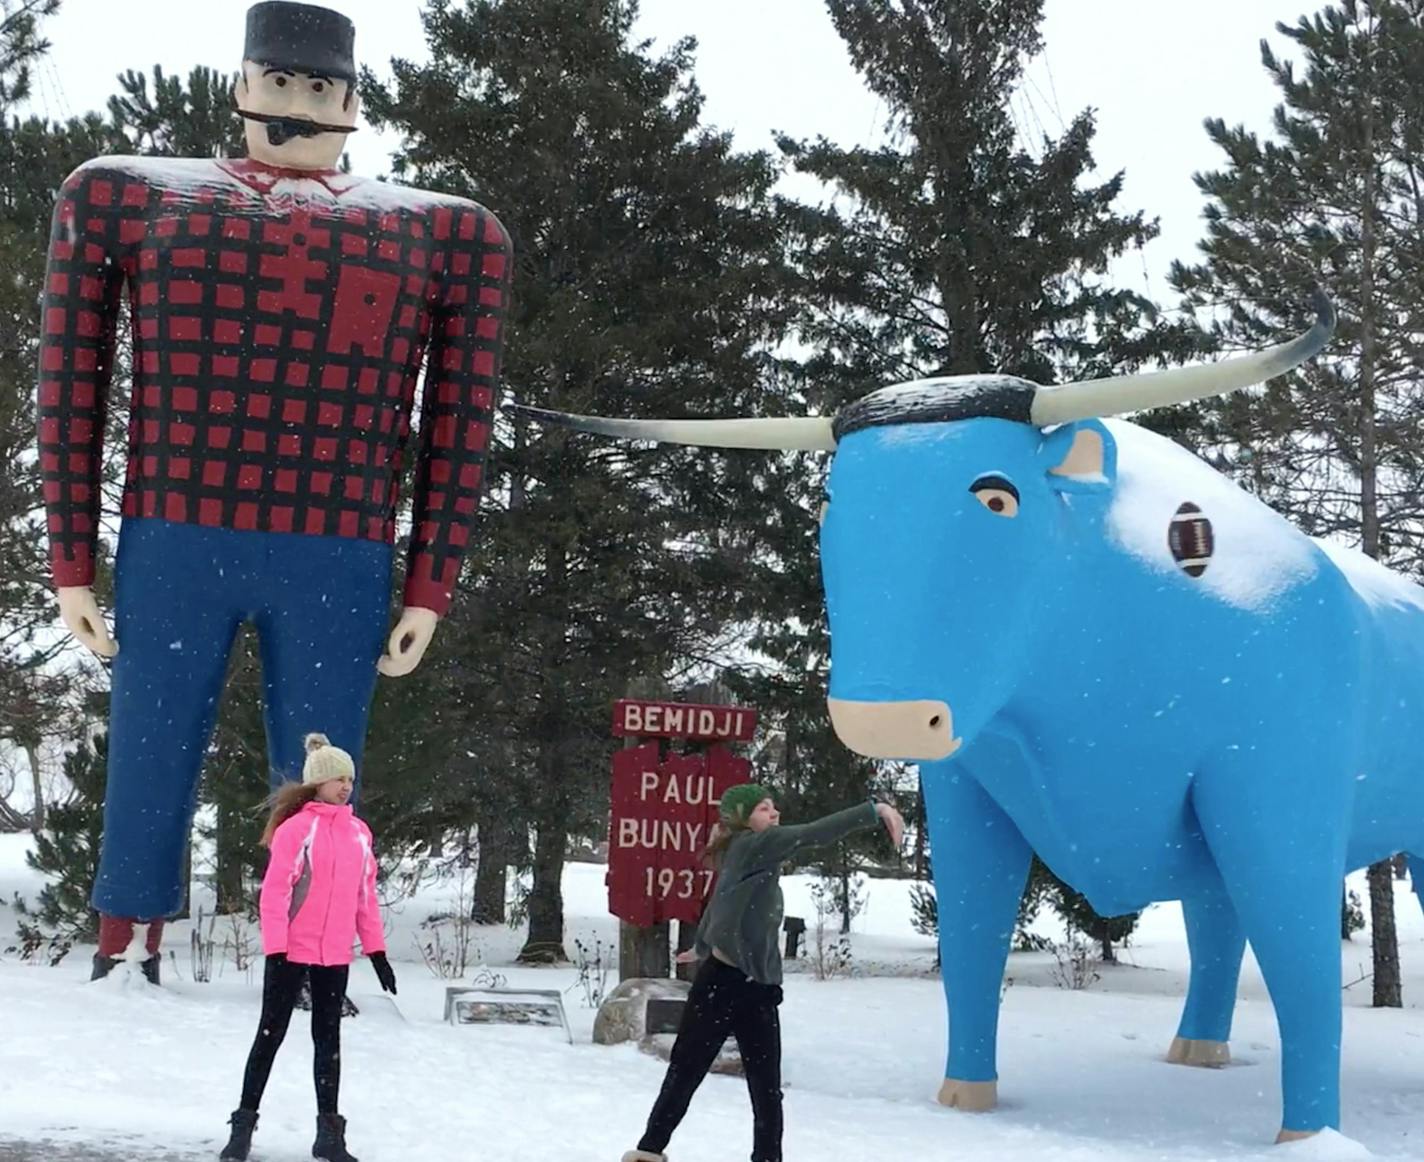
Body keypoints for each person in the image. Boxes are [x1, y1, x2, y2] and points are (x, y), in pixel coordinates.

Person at [36, 0, 512, 982]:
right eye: (280, 83)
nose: (297, 103)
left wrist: (430, 583)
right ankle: (127, 943)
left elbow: (459, 422)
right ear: (243, 87)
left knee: (321, 773)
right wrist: (71, 558)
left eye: (319, 87)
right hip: (175, 529)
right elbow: (69, 380)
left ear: (350, 102)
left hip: (335, 545)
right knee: (150, 745)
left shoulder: (442, 235)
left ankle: (307, 953)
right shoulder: (130, 198)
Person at [622, 783, 905, 1162]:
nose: (774, 815)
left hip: (756, 989)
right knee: (690, 1071)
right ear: (743, 819)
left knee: (764, 1086)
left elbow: (723, 901)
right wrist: (875, 811)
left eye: (773, 808)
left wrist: (702, 944)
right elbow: (812, 834)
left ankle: (760, 1157)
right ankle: (649, 1151)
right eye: (763, 809)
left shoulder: (746, 855)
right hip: (722, 986)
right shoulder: (751, 845)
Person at [220, 734, 397, 1162]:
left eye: (349, 780)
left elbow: (364, 898)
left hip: (334, 955)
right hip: (291, 952)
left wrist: (376, 951)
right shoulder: (298, 828)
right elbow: (276, 892)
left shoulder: (358, 833)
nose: (345, 787)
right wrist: (277, 947)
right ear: (317, 782)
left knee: (328, 1041)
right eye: (338, 779)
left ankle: (329, 1135)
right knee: (270, 1035)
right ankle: (242, 1129)